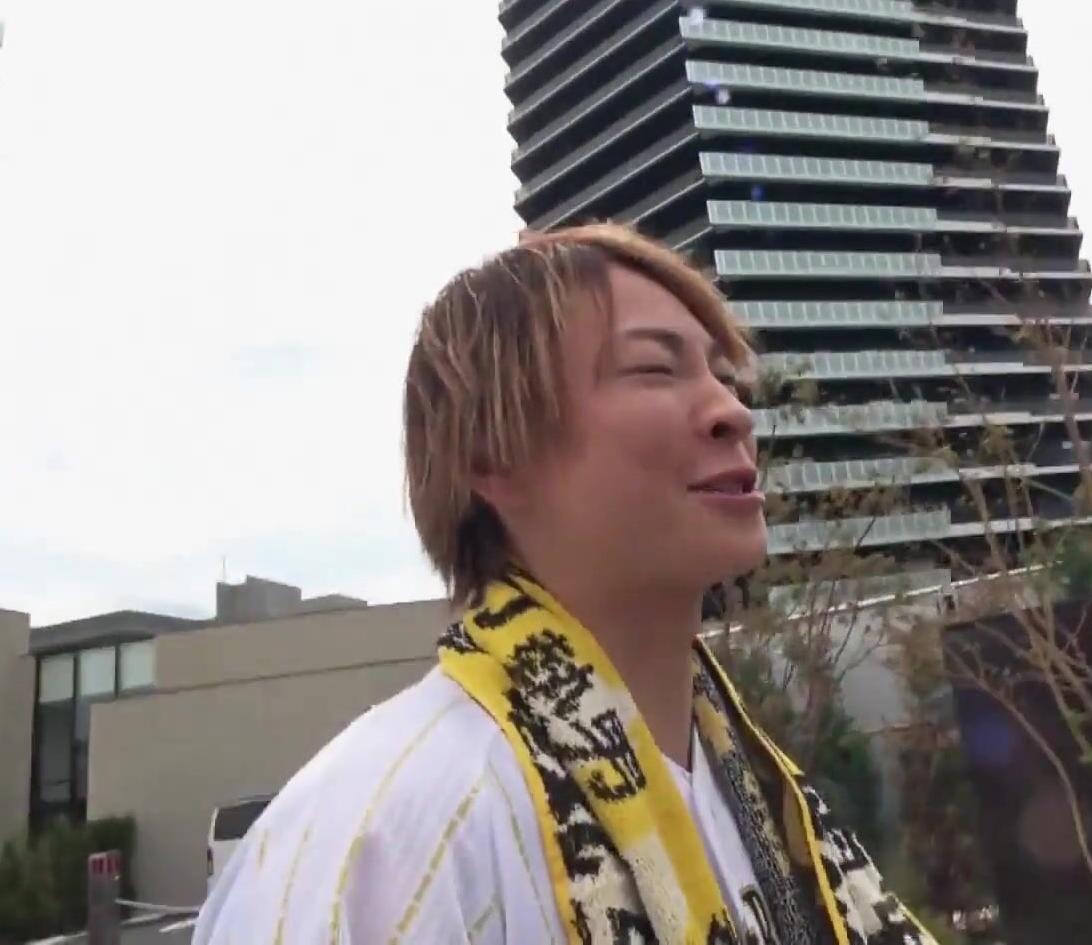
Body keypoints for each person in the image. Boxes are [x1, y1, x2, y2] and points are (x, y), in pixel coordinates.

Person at [195, 224, 935, 943]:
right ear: (493, 456)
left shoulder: (761, 797)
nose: (733, 411)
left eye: (723, 375)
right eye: (655, 369)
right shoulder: (380, 841)